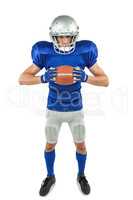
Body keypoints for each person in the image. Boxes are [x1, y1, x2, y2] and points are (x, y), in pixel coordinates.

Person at [18, 15, 109, 196]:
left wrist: (86, 77)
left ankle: (81, 175)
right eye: (60, 37)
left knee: (81, 145)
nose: (64, 40)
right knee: (50, 145)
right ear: (54, 37)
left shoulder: (84, 52)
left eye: (68, 36)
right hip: (54, 109)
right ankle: (50, 176)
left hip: (76, 109)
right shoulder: (44, 53)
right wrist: (42, 78)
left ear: (74, 36)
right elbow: (22, 79)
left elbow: (105, 81)